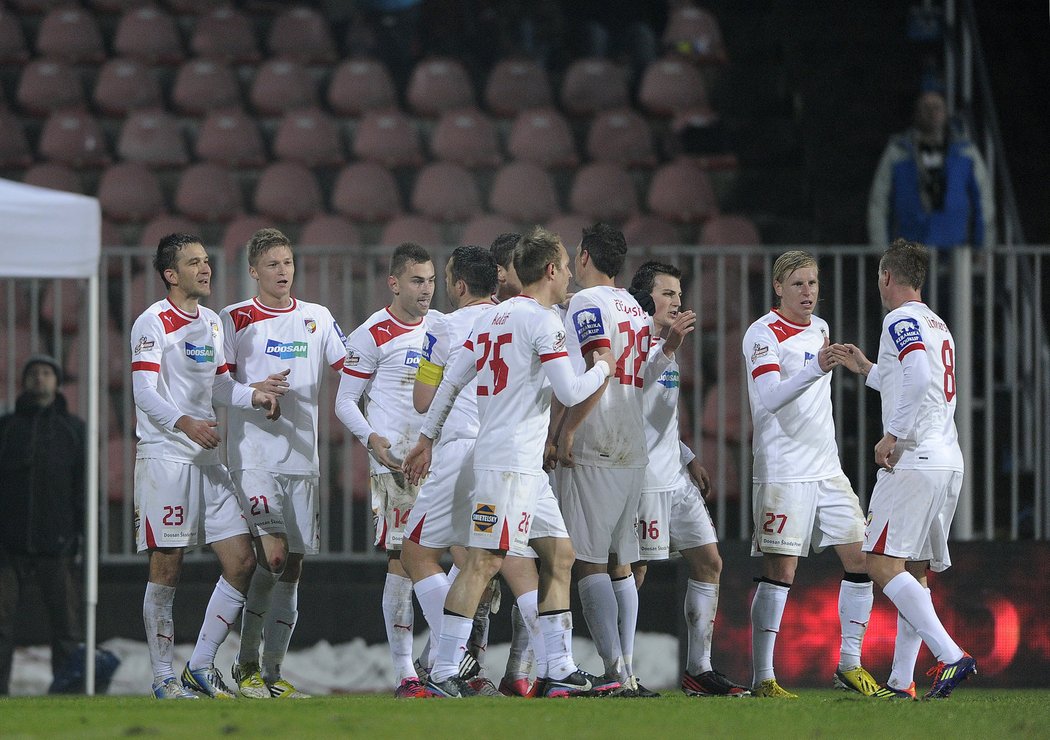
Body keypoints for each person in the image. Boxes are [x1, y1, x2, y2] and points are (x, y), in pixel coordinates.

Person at [403, 226, 619, 698]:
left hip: (516, 463)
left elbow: (452, 380)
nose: (568, 277)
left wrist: (426, 438)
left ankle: (557, 667)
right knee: (483, 562)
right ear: (550, 270)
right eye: (564, 267)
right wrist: (605, 364)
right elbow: (570, 391)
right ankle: (442, 672)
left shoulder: (494, 318)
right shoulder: (544, 322)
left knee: (560, 555)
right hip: (508, 465)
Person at [130, 233, 280, 700]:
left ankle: (198, 664)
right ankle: (162, 678)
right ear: (171, 275)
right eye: (193, 262)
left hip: (208, 459)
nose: (205, 268)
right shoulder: (152, 322)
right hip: (166, 457)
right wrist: (185, 424)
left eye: (206, 260)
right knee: (167, 566)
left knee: (243, 561)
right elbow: (144, 392)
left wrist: (253, 395)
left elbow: (219, 386)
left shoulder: (214, 323)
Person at [836, 238, 975, 700]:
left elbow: (916, 373)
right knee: (914, 570)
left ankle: (951, 656)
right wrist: (868, 369)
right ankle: (901, 680)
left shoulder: (899, 318)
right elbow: (915, 377)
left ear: (887, 277)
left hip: (914, 459)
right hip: (947, 459)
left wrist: (893, 434)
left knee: (876, 559)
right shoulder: (937, 324)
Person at [401, 245, 543, 697]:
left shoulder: (441, 325)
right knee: (507, 559)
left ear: (458, 285)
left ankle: (452, 655)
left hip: (458, 450)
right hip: (509, 452)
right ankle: (555, 662)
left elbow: (424, 399)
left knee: (417, 555)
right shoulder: (519, 319)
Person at [740, 250, 877, 699]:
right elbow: (771, 396)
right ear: (778, 287)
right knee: (781, 570)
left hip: (826, 467)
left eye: (813, 283)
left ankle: (850, 665)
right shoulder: (762, 334)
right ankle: (763, 677)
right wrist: (816, 366)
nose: (808, 292)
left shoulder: (820, 329)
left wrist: (823, 361)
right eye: (798, 284)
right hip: (782, 469)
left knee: (862, 560)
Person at [220, 229, 349, 699]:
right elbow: (217, 386)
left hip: (301, 460)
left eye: (288, 263)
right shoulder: (234, 319)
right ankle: (246, 663)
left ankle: (271, 674)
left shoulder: (317, 318)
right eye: (272, 264)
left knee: (291, 568)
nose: (282, 272)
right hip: (254, 457)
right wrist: (255, 395)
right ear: (253, 271)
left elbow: (351, 365)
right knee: (271, 556)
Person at [626, 261, 750, 698]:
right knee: (634, 570)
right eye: (668, 293)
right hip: (643, 481)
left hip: (674, 477)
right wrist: (670, 346)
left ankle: (699, 669)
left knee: (710, 562)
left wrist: (688, 455)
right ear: (647, 298)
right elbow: (633, 393)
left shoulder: (669, 344)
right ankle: (622, 671)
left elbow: (661, 416)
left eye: (680, 294)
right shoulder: (635, 339)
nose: (678, 301)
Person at [552, 223, 656, 695]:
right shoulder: (634, 305)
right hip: (633, 439)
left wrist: (566, 429)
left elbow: (600, 361)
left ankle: (616, 673)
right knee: (619, 560)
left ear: (586, 255)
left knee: (589, 562)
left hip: (598, 439)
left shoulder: (584, 303)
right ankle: (627, 668)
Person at [334, 243, 435, 698]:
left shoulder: (441, 329)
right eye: (417, 281)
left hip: (440, 460)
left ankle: (442, 662)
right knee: (402, 561)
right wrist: (371, 439)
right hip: (396, 462)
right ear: (394, 283)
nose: (426, 290)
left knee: (468, 559)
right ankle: (405, 673)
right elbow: (343, 402)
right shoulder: (370, 334)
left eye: (432, 281)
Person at [0, 355, 84, 694]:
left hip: (58, 543)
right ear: (23, 381)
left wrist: (77, 536)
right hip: (7, 544)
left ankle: (67, 693)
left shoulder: (74, 430)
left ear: (57, 381)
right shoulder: (5, 428)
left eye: (46, 373)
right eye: (33, 373)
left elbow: (82, 487)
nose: (39, 378)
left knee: (66, 626)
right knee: (0, 625)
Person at [867, 80, 995, 251]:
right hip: (910, 256)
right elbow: (879, 203)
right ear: (916, 112)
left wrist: (984, 248)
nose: (932, 112)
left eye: (937, 106)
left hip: (956, 256)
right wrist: (880, 249)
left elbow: (984, 201)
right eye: (925, 107)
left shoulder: (965, 152)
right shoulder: (897, 151)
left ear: (945, 111)